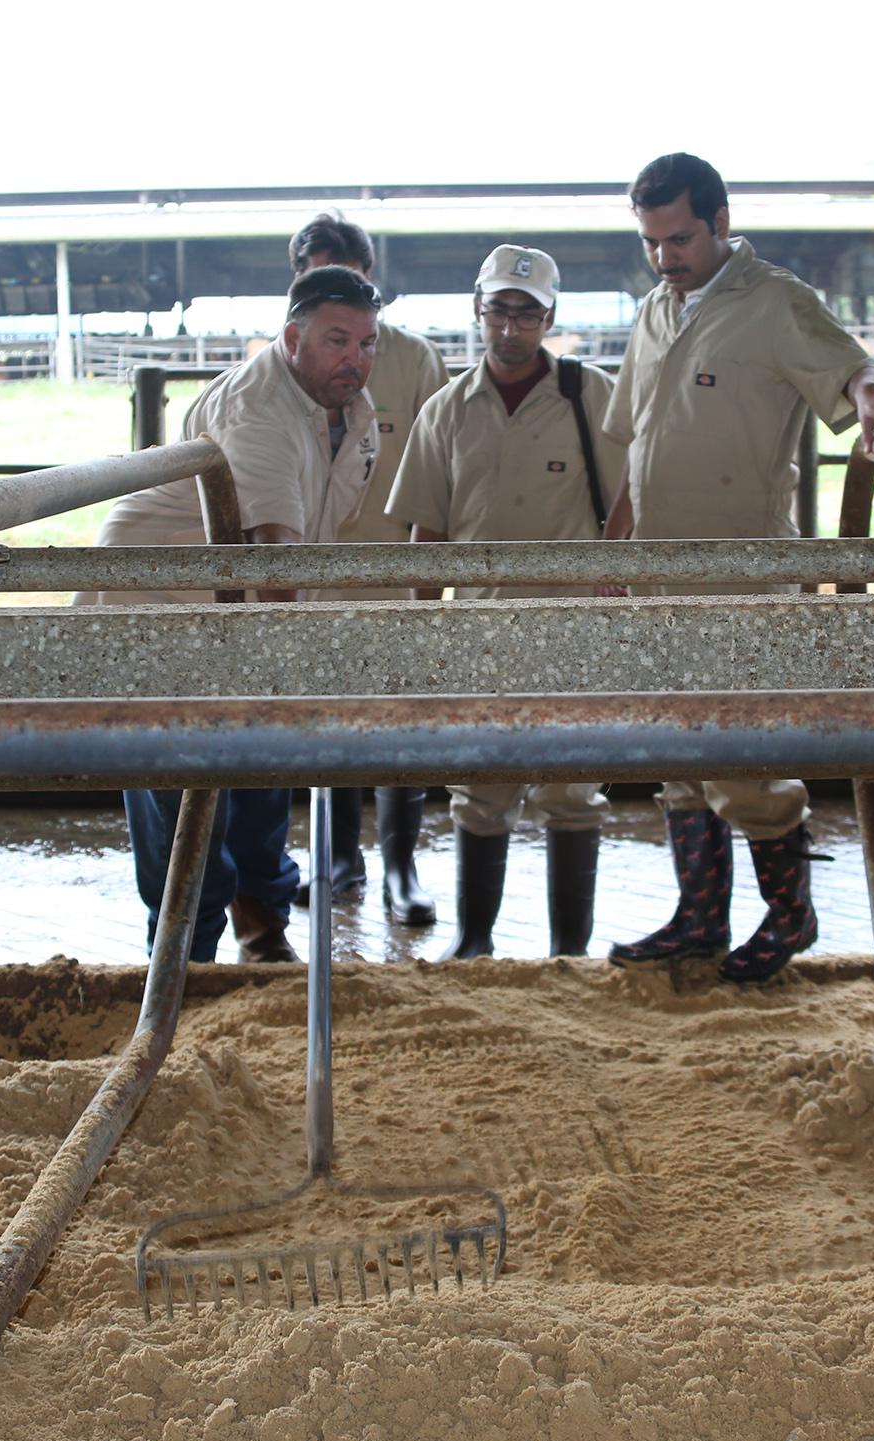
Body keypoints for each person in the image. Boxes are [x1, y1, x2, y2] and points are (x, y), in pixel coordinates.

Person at [600, 152, 874, 984]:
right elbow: (637, 444)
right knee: (674, 759)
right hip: (656, 570)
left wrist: (872, 401)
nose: (664, 256)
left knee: (741, 753)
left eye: (678, 238)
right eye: (650, 242)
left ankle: (791, 914)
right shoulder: (653, 313)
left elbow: (851, 368)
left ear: (718, 222)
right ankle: (699, 919)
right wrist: (612, 551)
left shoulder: (778, 301)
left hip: (740, 570)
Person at [75, 265, 382, 963]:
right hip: (158, 609)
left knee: (256, 764)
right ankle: (184, 960)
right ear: (293, 337)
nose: (356, 359)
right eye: (338, 341)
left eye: (368, 343)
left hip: (234, 611)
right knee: (183, 785)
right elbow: (276, 569)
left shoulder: (354, 411)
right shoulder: (262, 410)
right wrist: (313, 669)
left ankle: (259, 924)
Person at [386, 245, 624, 959]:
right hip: (480, 629)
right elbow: (426, 529)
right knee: (482, 787)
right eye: (500, 310)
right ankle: (475, 942)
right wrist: (423, 629)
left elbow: (631, 500)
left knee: (573, 789)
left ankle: (568, 954)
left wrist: (616, 584)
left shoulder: (593, 396)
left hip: (573, 629)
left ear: (550, 317)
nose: (511, 327)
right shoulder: (447, 410)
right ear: (477, 310)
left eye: (528, 312)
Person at [284, 212, 448, 927]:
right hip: (318, 563)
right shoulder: (280, 365)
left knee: (400, 718)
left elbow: (441, 462)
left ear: (373, 281)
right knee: (328, 718)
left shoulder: (411, 359)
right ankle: (337, 858)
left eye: (353, 279)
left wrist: (427, 565)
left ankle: (402, 866)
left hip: (391, 559)